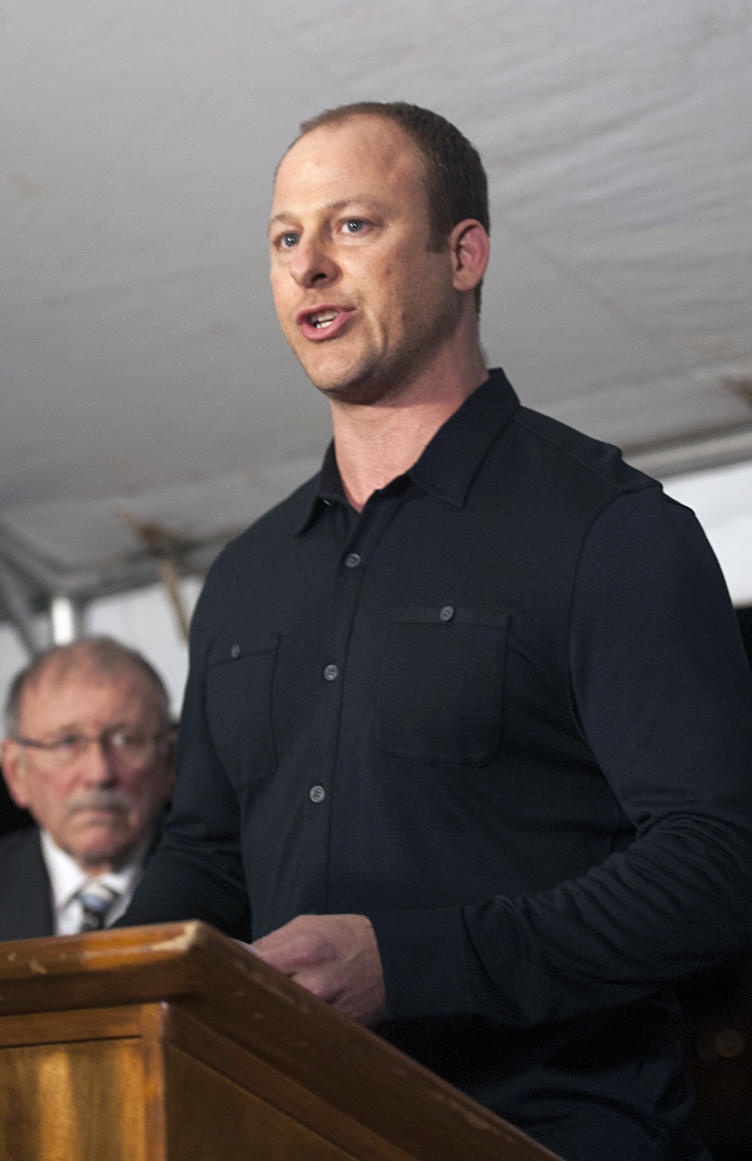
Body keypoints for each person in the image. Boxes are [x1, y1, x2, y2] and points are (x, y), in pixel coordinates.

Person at [118, 101, 752, 1158]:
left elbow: (718, 862)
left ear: (465, 255)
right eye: (286, 238)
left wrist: (413, 963)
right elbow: (209, 854)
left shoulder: (608, 531)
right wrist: (110, 984)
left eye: (352, 226)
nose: (309, 266)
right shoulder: (245, 577)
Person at [0, 636, 174, 945]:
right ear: (17, 771)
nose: (99, 773)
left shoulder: (241, 898)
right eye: (66, 742)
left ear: (169, 762)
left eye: (126, 740)